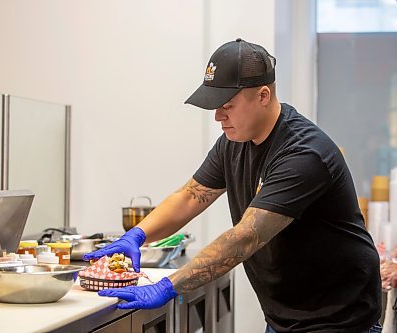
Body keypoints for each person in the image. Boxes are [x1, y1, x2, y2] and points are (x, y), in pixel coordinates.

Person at [84, 38, 382, 332]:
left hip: (340, 319)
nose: (217, 116)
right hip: (285, 317)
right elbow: (192, 195)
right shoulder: (233, 142)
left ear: (263, 95)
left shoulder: (304, 153)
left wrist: (169, 285)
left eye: (226, 105)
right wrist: (137, 235)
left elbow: (246, 236)